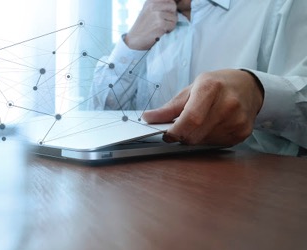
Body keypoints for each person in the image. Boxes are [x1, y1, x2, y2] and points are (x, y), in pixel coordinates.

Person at [88, 0, 307, 156]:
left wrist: (259, 94)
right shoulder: (148, 21)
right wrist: (131, 45)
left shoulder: (283, 5)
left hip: (257, 195)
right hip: (154, 192)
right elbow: (95, 124)